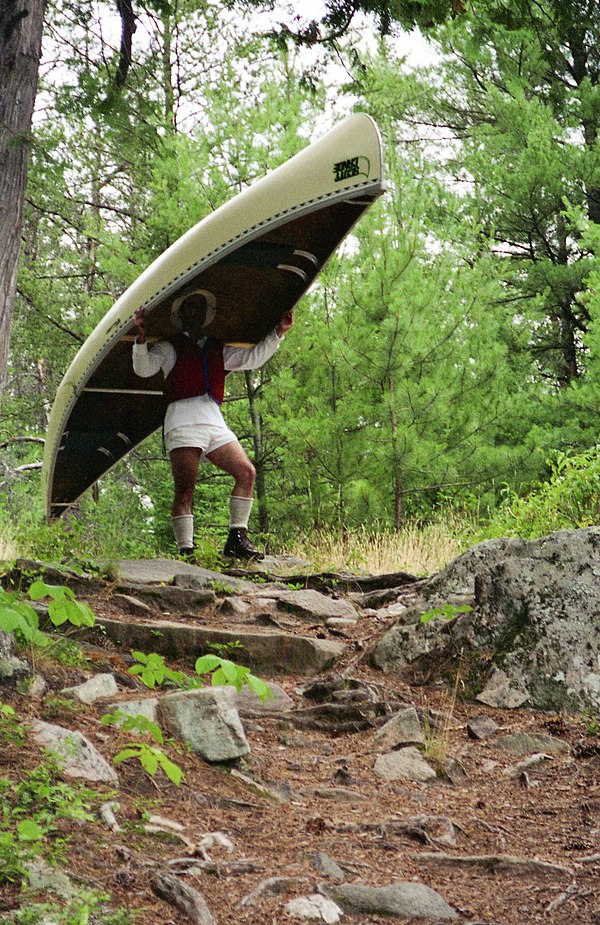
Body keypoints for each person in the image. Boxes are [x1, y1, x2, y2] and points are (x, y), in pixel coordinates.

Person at [132, 289, 294, 560]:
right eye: (190, 307)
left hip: (213, 419)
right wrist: (140, 338)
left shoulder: (217, 347)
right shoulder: (168, 347)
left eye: (199, 308)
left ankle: (236, 540)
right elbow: (143, 368)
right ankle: (186, 551)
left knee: (246, 472)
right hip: (182, 421)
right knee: (185, 491)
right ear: (181, 314)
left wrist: (279, 332)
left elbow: (252, 358)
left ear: (205, 315)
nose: (195, 312)